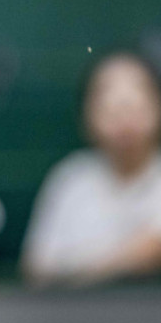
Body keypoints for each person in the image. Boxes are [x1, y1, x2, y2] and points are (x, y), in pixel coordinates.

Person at [22, 50, 161, 287]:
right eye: (109, 99)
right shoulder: (70, 180)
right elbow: (37, 269)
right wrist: (129, 258)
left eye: (136, 97)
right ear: (88, 111)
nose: (124, 113)